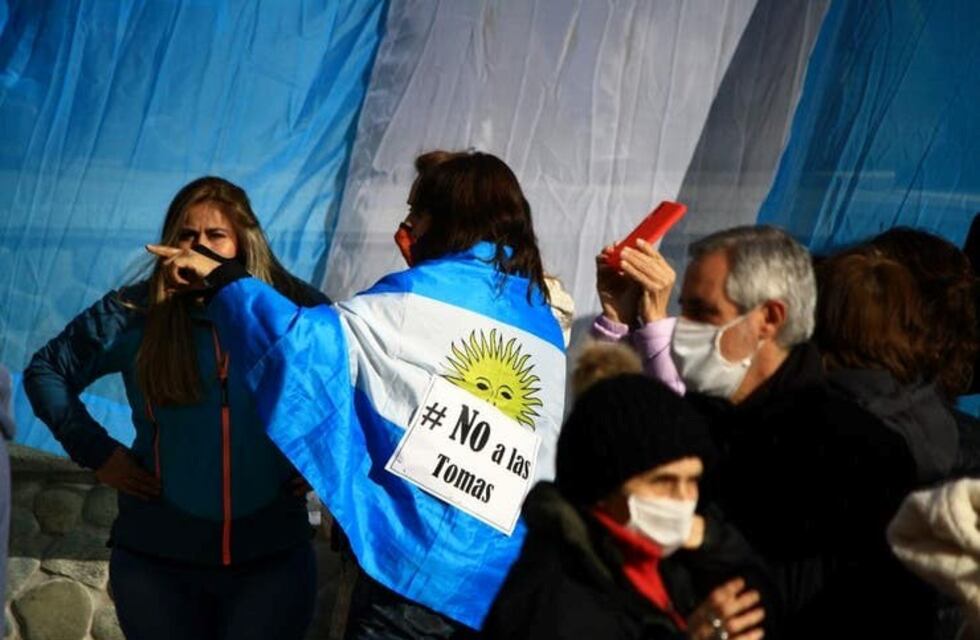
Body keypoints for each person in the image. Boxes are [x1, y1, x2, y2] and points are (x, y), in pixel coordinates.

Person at [148, 151, 567, 636]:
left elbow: (302, 344)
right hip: (504, 590)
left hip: (415, 584)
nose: (406, 226)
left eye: (415, 212)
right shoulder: (540, 320)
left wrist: (223, 279)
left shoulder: (418, 295)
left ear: (446, 216)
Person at [24, 177, 326, 640]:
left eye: (215, 236)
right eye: (187, 235)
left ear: (244, 242)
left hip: (271, 562)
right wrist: (99, 453)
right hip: (157, 564)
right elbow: (47, 371)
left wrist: (321, 457)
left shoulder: (292, 306)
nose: (198, 247)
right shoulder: (134, 311)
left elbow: (349, 380)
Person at [660, 225, 928, 638]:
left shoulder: (857, 454)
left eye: (704, 313)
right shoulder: (684, 424)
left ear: (768, 318)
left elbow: (880, 612)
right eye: (685, 308)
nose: (682, 327)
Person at [482, 374, 773, 640]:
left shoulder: (664, 559)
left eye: (692, 480)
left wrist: (710, 539)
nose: (683, 498)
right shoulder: (555, 598)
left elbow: (764, 600)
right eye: (663, 481)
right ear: (604, 489)